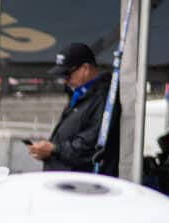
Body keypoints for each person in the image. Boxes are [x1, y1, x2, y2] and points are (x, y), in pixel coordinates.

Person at [28, 42, 120, 176]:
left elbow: (91, 148)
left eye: (67, 74)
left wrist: (54, 149)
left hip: (82, 187)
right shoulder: (82, 95)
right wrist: (49, 151)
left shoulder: (102, 98)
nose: (65, 81)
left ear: (85, 69)